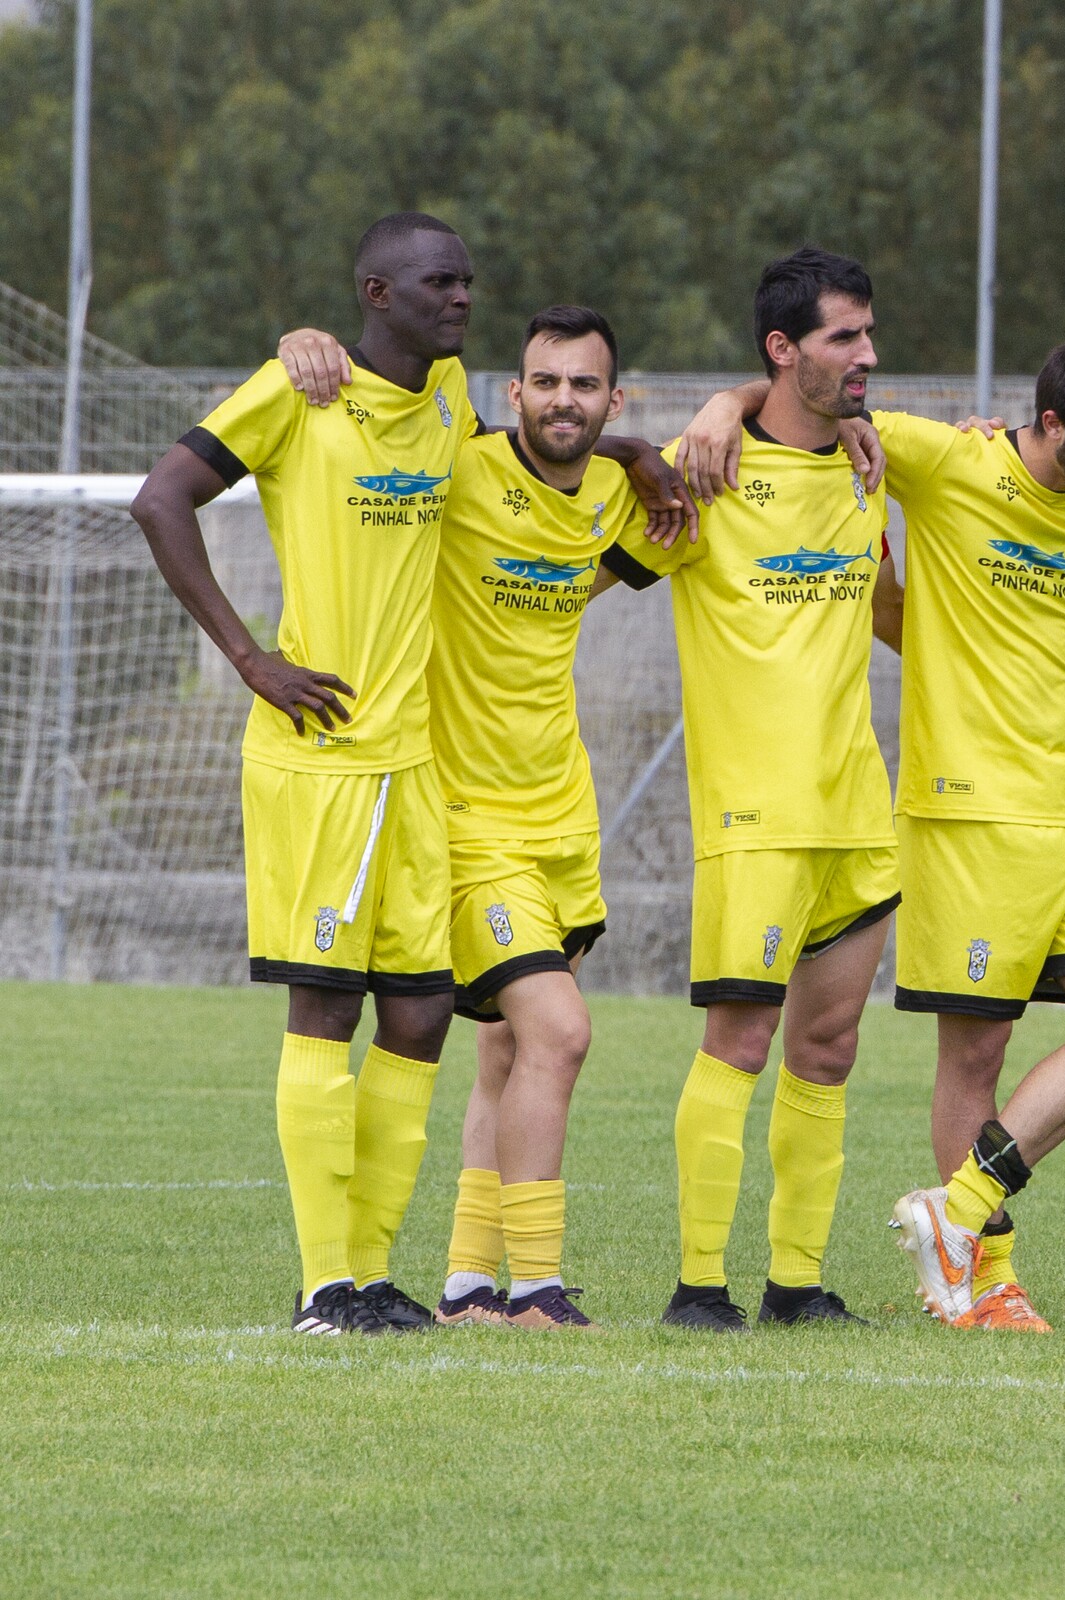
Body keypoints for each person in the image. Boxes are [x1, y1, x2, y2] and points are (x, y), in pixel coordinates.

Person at [677, 322, 1065, 1328]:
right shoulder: (949, 462)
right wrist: (719, 405)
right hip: (964, 816)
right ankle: (985, 1286)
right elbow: (811, 402)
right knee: (974, 1061)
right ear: (1050, 425)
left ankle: (955, 1214)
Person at [130, 213, 489, 1334]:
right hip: (320, 757)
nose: (461, 298)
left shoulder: (451, 395)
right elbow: (160, 498)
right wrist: (251, 660)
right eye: (439, 281)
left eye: (468, 280)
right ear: (376, 294)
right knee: (326, 1008)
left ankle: (376, 1275)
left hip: (415, 762)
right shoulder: (298, 389)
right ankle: (325, 1287)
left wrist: (633, 447)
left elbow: (544, 442)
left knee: (425, 1012)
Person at [596, 249, 901, 1332]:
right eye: (843, 339)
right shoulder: (704, 468)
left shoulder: (870, 471)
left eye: (867, 335)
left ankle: (797, 1282)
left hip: (858, 813)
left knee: (829, 1049)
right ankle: (698, 1286)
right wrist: (708, 414)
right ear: (782, 350)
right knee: (739, 1043)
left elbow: (896, 615)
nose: (867, 356)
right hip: (755, 814)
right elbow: (580, 577)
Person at [415, 306, 649, 1330]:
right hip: (471, 824)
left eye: (585, 385)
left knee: (507, 1055)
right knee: (559, 1033)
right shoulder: (460, 470)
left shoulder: (615, 494)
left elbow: (718, 476)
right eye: (545, 382)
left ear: (613, 401)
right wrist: (303, 339)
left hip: (564, 823)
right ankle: (539, 1290)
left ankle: (468, 1285)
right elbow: (384, 387)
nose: (564, 400)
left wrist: (664, 452)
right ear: (512, 394)